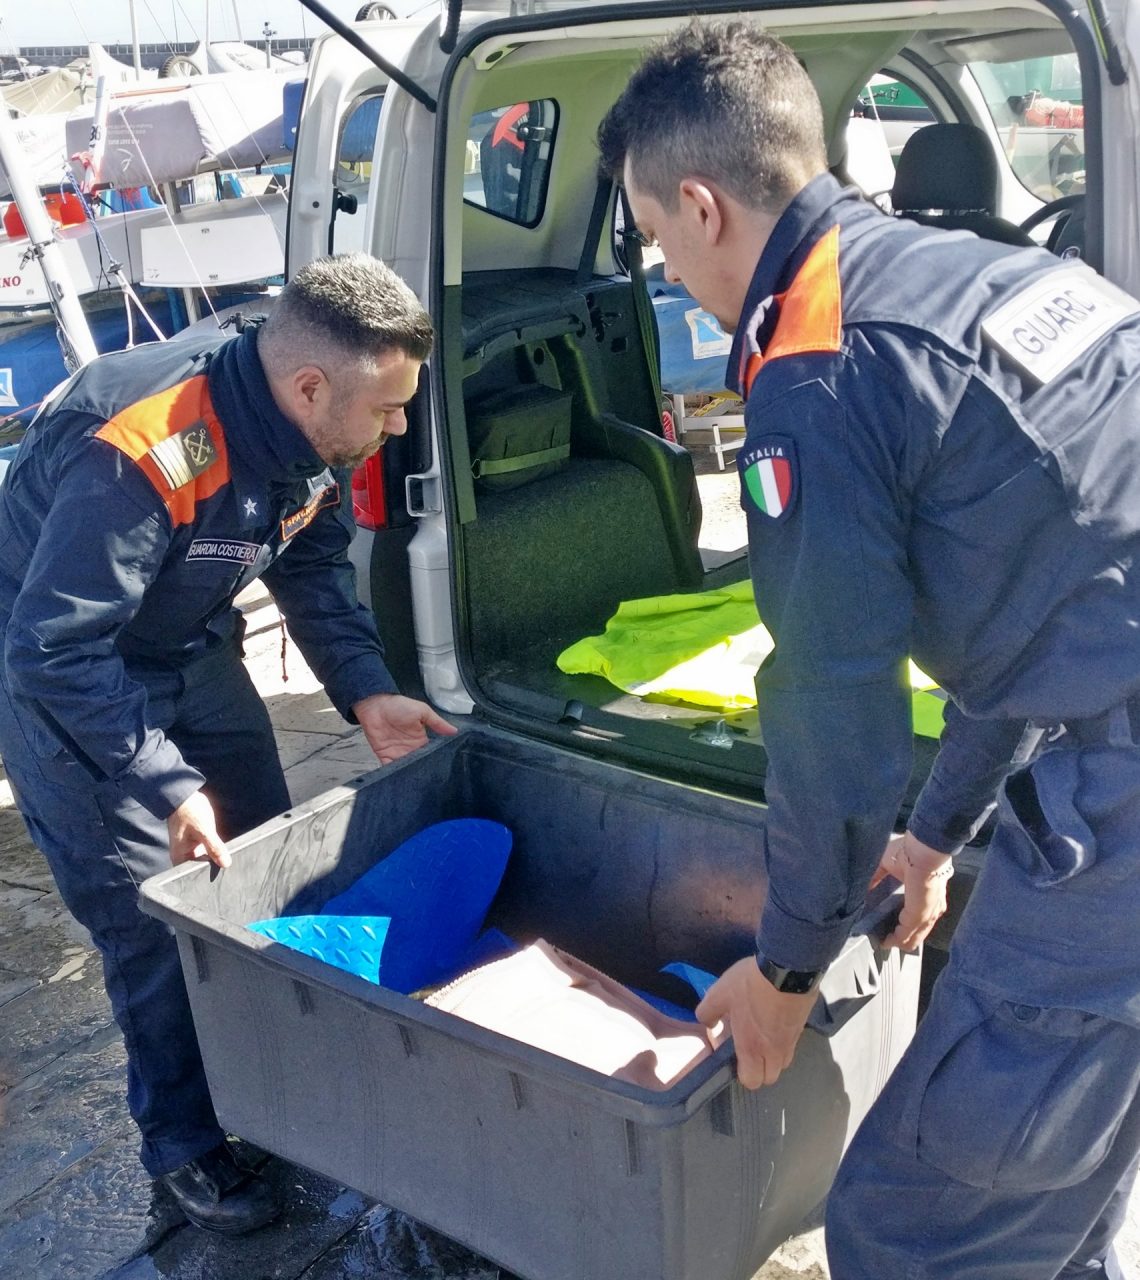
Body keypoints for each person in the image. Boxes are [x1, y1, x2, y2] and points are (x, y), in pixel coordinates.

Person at [599, 22, 1140, 1280]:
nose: (670, 270)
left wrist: (787, 965)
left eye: (660, 238)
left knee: (912, 1230)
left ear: (703, 206)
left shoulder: (820, 366)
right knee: (1054, 1200)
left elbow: (833, 710)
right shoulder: (984, 275)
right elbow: (1052, 612)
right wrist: (937, 834)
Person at [0, 253, 455, 1235]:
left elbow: (314, 564)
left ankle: (271, 1070)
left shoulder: (315, 435)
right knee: (156, 920)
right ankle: (183, 1144)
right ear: (309, 386)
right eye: (387, 408)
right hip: (64, 673)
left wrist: (366, 689)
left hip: (187, 641)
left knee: (265, 864)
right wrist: (160, 780)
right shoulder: (151, 442)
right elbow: (54, 648)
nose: (399, 426)